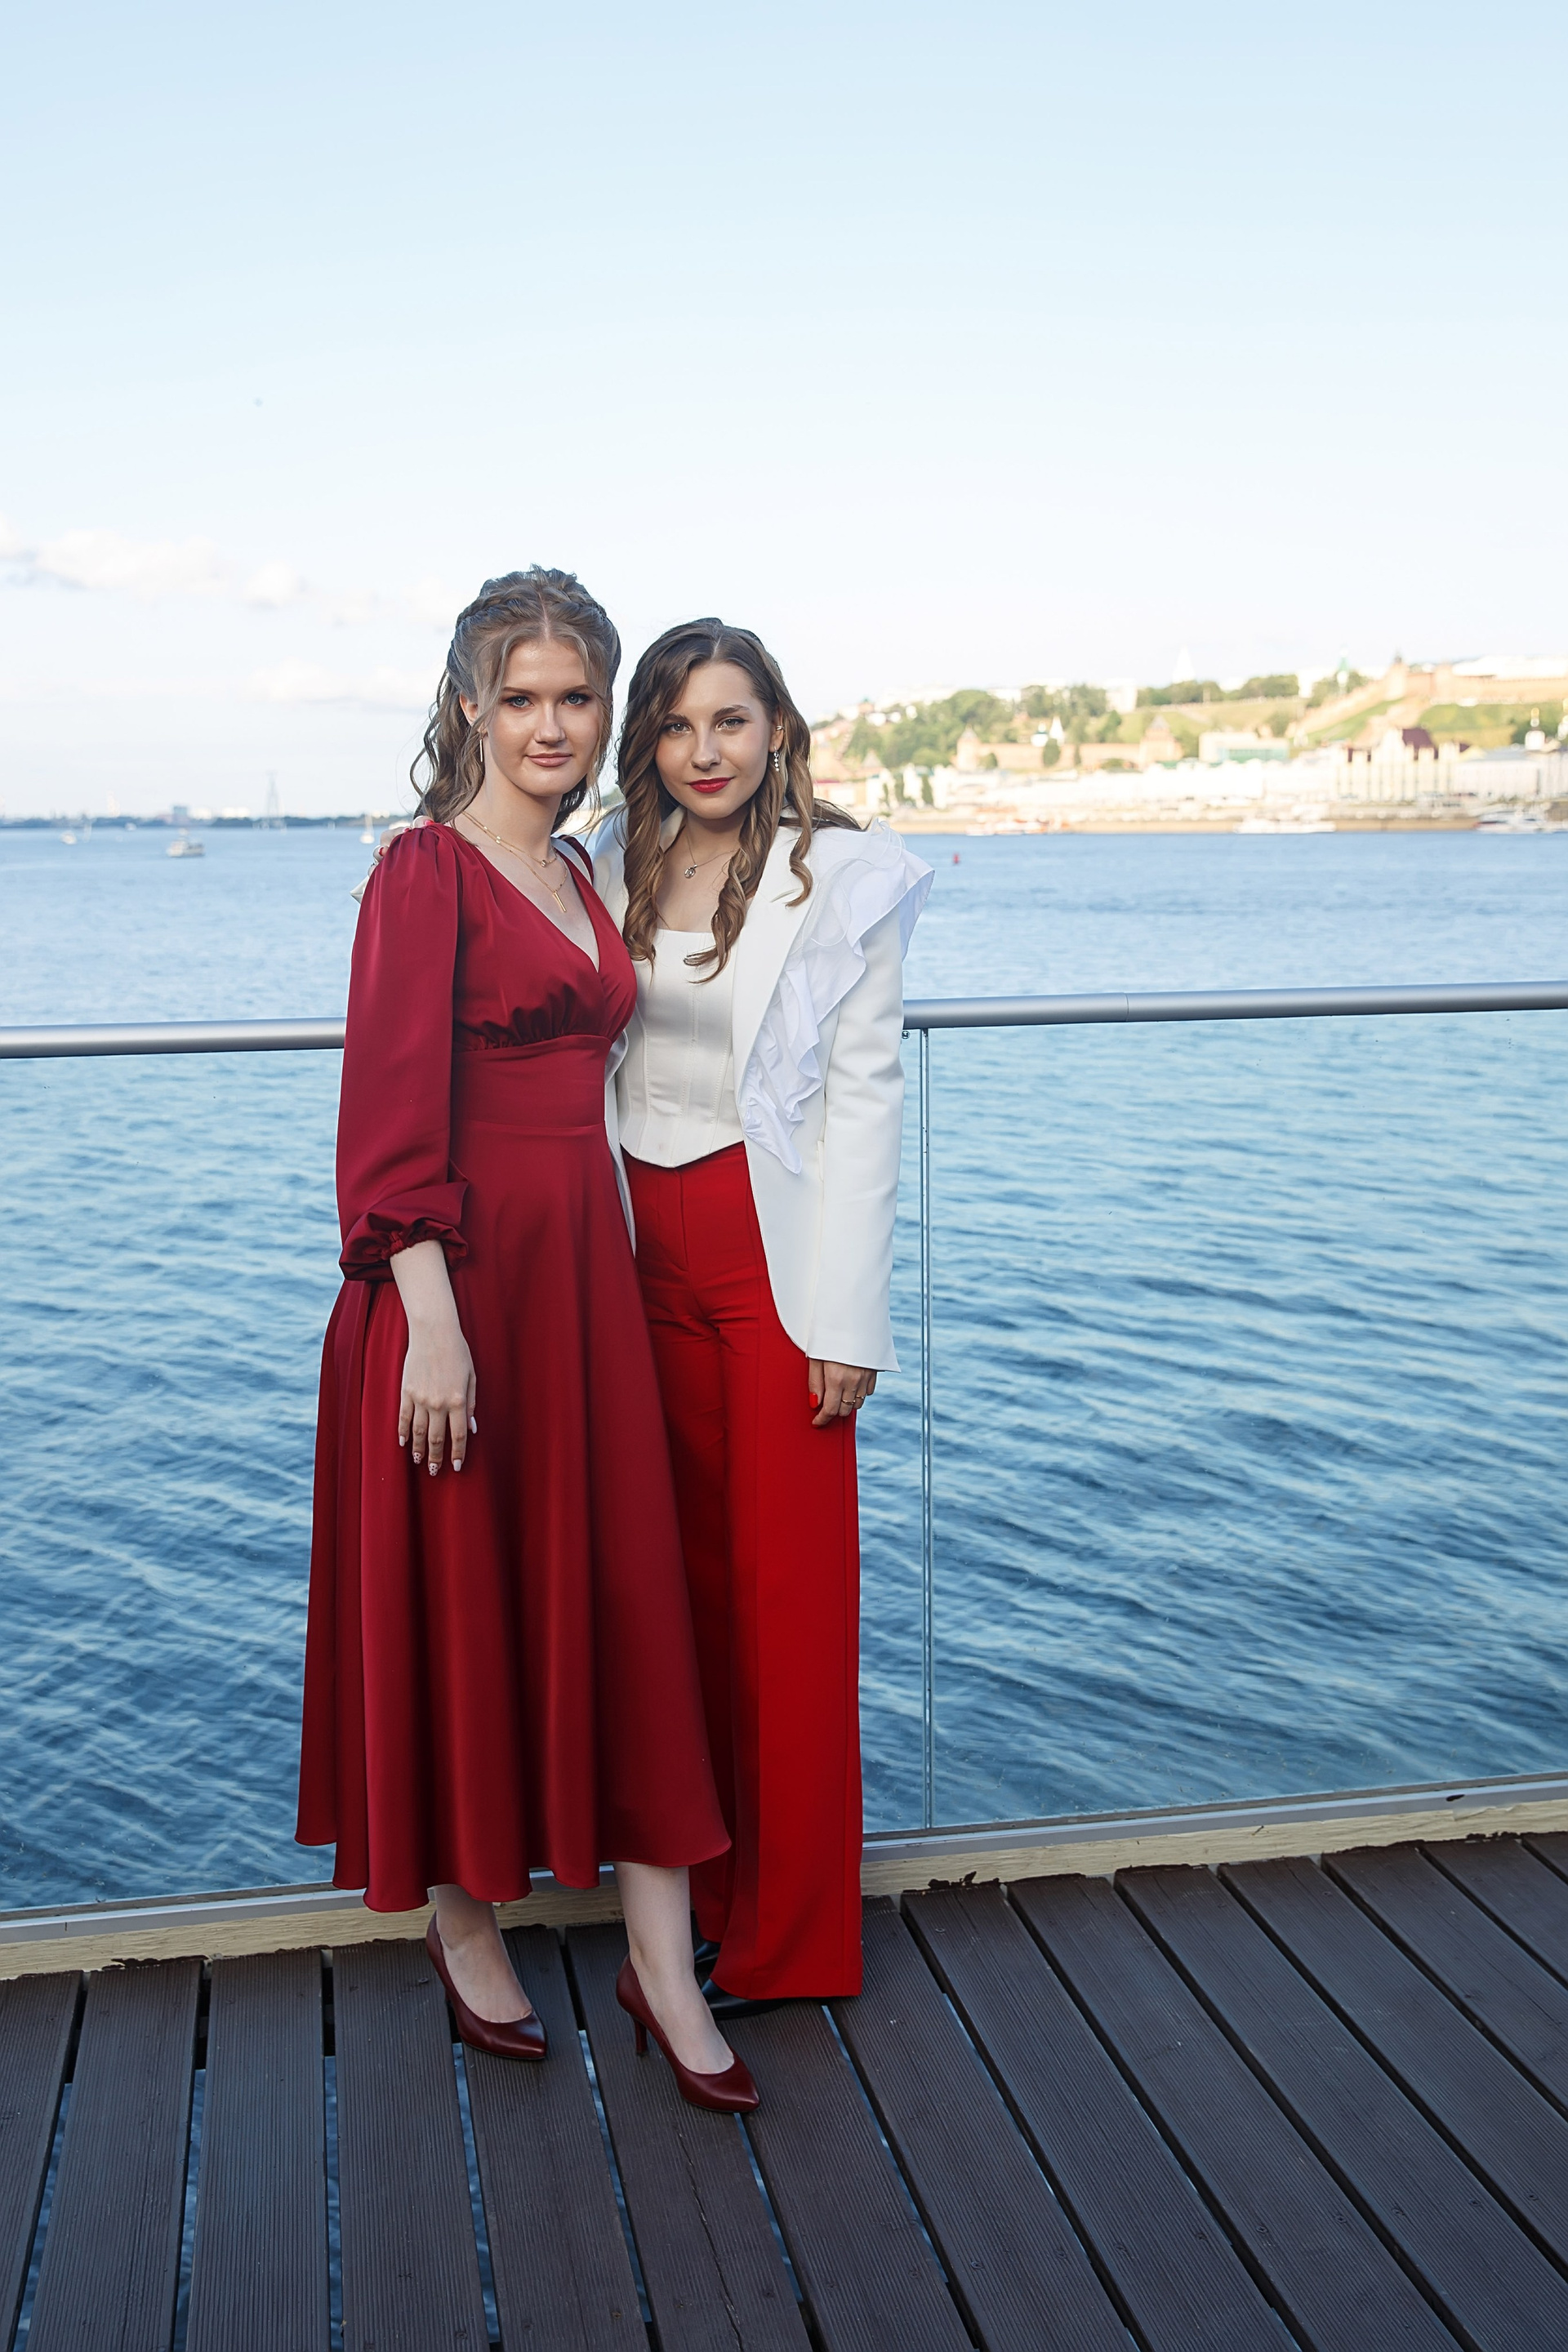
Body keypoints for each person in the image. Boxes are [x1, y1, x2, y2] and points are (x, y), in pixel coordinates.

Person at [297, 568, 757, 2113]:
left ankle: (662, 1966)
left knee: (628, 1603)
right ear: (467, 709)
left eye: (574, 698)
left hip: (583, 1290)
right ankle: (464, 1921)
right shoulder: (421, 873)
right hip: (454, 1290)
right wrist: (430, 1324)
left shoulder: (579, 868)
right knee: (459, 1599)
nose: (549, 725)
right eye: (519, 698)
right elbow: (384, 1120)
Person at [590, 621, 931, 2008]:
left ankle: (793, 1940)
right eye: (676, 725)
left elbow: (865, 1101)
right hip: (629, 1250)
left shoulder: (844, 877)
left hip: (769, 1259)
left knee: (789, 1606)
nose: (705, 751)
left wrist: (850, 1322)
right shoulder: (608, 858)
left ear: (778, 726)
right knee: (679, 1601)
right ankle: (702, 1905)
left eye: (729, 720)